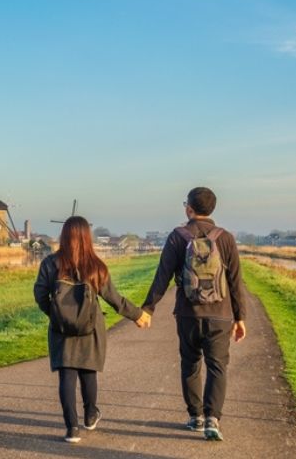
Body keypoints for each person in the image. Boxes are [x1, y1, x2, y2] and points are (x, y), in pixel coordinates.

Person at [140, 187, 247, 441]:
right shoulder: (226, 238)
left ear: (189, 208)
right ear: (212, 209)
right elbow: (235, 280)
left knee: (190, 364)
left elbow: (162, 276)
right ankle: (213, 419)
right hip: (220, 314)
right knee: (217, 366)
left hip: (188, 314)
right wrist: (240, 317)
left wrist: (148, 308)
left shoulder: (178, 236)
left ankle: (195, 416)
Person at [34, 216, 150, 443]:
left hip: (61, 329)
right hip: (91, 328)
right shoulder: (96, 266)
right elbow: (114, 299)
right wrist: (138, 315)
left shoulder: (49, 263)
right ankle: (90, 416)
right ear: (87, 237)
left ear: (64, 236)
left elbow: (39, 294)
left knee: (66, 375)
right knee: (88, 373)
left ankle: (72, 429)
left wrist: (55, 314)